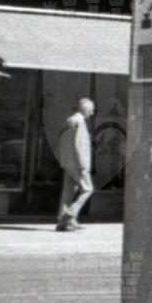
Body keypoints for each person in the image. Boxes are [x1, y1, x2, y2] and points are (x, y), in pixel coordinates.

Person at [55, 97, 96, 232]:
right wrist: (83, 165)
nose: (92, 113)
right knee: (88, 189)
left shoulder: (70, 120)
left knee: (68, 192)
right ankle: (70, 214)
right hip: (78, 163)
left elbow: (63, 142)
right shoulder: (79, 122)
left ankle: (63, 222)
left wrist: (64, 160)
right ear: (86, 110)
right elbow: (79, 145)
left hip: (68, 162)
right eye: (91, 110)